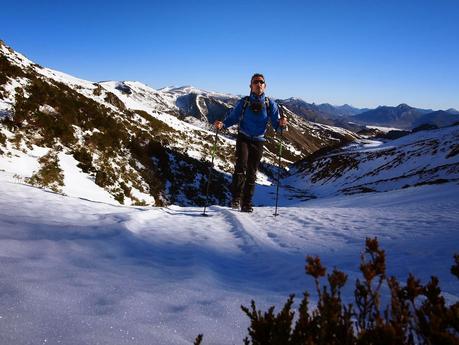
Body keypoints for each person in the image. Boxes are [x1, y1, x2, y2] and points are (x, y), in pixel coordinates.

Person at [214, 73, 288, 212]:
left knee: (252, 172)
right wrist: (222, 125)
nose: (258, 84)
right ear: (251, 86)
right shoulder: (244, 102)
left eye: (261, 82)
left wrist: (282, 124)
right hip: (244, 137)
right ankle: (236, 199)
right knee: (241, 166)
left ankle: (246, 203)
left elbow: (276, 123)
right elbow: (233, 117)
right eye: (256, 82)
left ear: (265, 86)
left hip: (258, 140)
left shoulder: (270, 104)